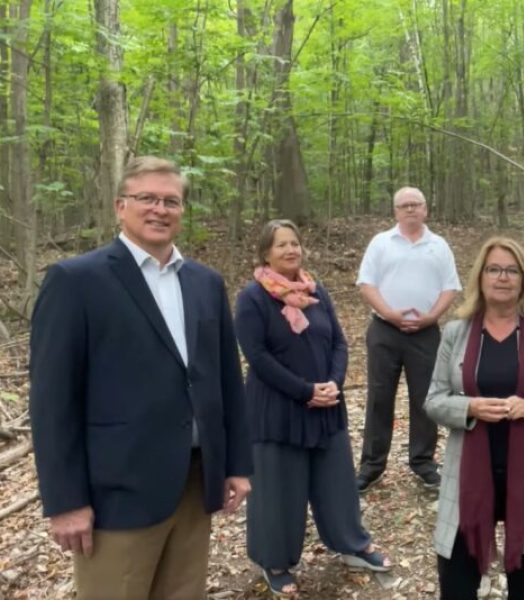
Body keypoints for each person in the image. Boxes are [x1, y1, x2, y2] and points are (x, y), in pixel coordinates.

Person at [28, 156, 252, 599]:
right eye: (146, 198)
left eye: (171, 200)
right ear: (119, 206)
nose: (160, 209)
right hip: (117, 491)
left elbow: (226, 379)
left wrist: (237, 465)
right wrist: (65, 501)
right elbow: (52, 401)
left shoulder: (205, 283)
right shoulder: (77, 281)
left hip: (194, 483)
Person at [234, 220, 390, 596]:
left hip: (326, 406)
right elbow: (256, 355)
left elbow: (338, 341)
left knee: (336, 483)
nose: (290, 250)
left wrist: (333, 383)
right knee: (277, 490)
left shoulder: (315, 291)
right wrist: (304, 390)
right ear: (265, 253)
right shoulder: (253, 298)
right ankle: (275, 560)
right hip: (277, 408)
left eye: (295, 243)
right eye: (281, 245)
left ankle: (352, 543)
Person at [426, 237, 524, 600]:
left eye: (512, 270)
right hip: (470, 473)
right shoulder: (455, 332)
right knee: (456, 581)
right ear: (480, 277)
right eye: (494, 269)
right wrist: (469, 408)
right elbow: (434, 400)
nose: (502, 277)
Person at [355, 186, 462, 492]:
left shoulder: (438, 246)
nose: (411, 209)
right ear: (395, 212)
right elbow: (367, 284)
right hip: (384, 331)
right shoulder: (380, 243)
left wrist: (432, 316)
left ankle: (423, 462)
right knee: (379, 397)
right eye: (404, 206)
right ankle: (372, 466)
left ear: (426, 210)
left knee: (425, 398)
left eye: (416, 204)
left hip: (425, 332)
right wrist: (389, 313)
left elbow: (450, 288)